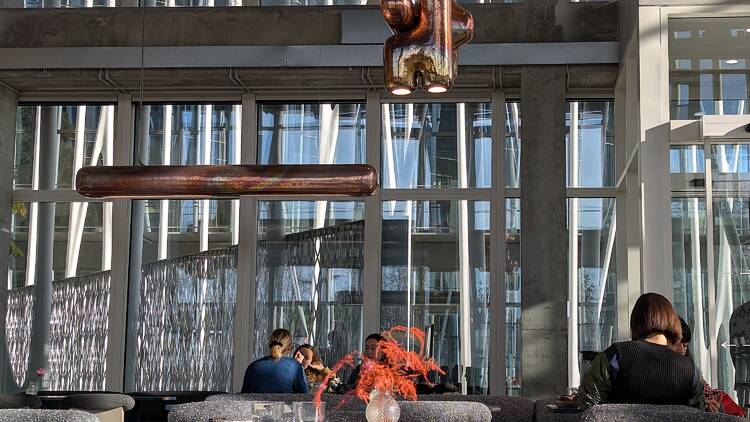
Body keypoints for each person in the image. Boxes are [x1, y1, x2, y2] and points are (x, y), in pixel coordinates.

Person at [577, 293, 704, 411]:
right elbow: (697, 415)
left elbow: (589, 404)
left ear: (635, 322)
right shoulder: (692, 371)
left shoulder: (615, 355)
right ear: (673, 321)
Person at [673, 317, 744, 416]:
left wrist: (715, 413)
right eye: (676, 344)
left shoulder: (695, 377)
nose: (681, 350)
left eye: (685, 345)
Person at [240, 328, 309, 394]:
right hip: (285, 405)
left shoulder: (253, 366)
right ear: (289, 348)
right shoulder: (295, 366)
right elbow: (303, 394)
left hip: (257, 405)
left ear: (269, 344)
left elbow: (245, 394)